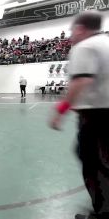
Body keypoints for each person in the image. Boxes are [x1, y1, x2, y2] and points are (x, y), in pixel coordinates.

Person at [49, 11, 109, 219]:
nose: (71, 35)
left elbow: (81, 81)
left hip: (96, 115)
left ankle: (102, 211)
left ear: (81, 28)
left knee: (91, 161)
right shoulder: (106, 43)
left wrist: (60, 111)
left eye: (72, 30)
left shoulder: (85, 46)